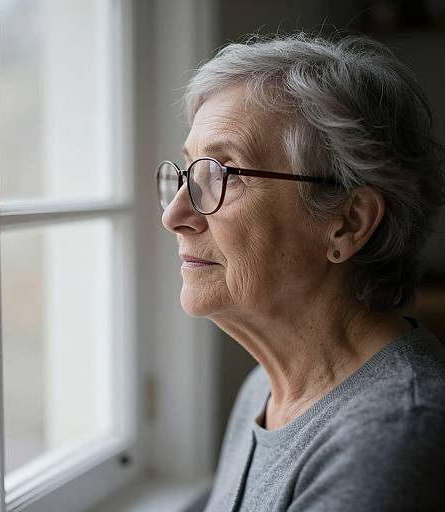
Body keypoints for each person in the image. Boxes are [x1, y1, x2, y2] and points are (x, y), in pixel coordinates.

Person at [156, 32, 445, 511]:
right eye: (189, 174)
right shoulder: (267, 389)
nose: (175, 215)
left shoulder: (391, 439)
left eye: (224, 174)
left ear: (346, 223)